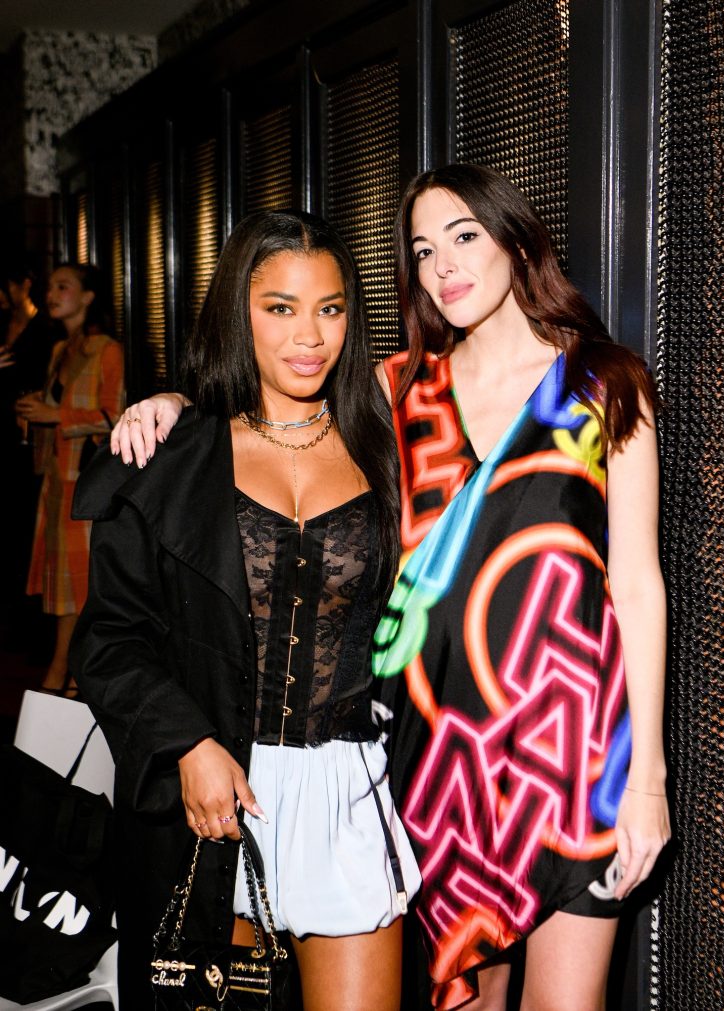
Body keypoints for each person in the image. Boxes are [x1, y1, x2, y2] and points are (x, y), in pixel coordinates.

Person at [112, 165, 671, 1011]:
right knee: (468, 1000)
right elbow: (275, 414)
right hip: (441, 755)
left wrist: (647, 777)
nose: (444, 265)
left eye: (464, 236)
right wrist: (172, 406)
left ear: (516, 241)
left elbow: (637, 583)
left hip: (575, 747)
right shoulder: (396, 391)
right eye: (422, 249)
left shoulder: (606, 384)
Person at [69, 210, 421, 1011]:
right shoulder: (176, 456)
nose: (309, 336)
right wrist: (188, 742)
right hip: (213, 795)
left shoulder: (389, 445)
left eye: (330, 308)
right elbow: (111, 640)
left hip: (345, 788)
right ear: (241, 311)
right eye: (280, 307)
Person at [16, 263, 124, 695]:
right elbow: (54, 409)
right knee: (64, 585)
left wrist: (54, 413)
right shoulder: (61, 349)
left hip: (87, 482)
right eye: (51, 287)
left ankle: (68, 673)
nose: (52, 294)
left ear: (88, 297)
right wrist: (34, 412)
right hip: (56, 479)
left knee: (82, 584)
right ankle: (67, 672)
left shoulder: (107, 350)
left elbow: (114, 415)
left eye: (64, 286)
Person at [0, 263, 56, 643]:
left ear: (24, 284)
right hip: (8, 434)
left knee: (26, 525)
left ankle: (31, 624)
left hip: (35, 438)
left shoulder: (47, 330)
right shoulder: (3, 323)